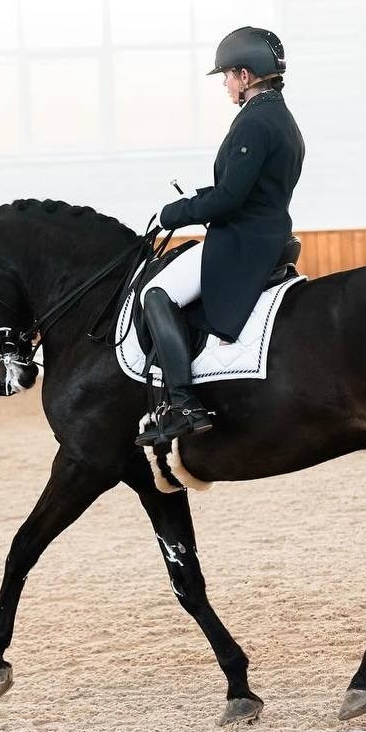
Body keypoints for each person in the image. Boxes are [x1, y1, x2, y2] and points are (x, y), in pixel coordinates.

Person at [135, 26, 305, 448]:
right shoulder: (281, 117)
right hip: (267, 230)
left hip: (243, 241)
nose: (226, 84)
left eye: (228, 75)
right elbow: (247, 191)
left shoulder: (254, 123)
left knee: (156, 294)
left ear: (246, 76)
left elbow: (230, 198)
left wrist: (171, 213)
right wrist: (199, 199)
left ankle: (183, 404)